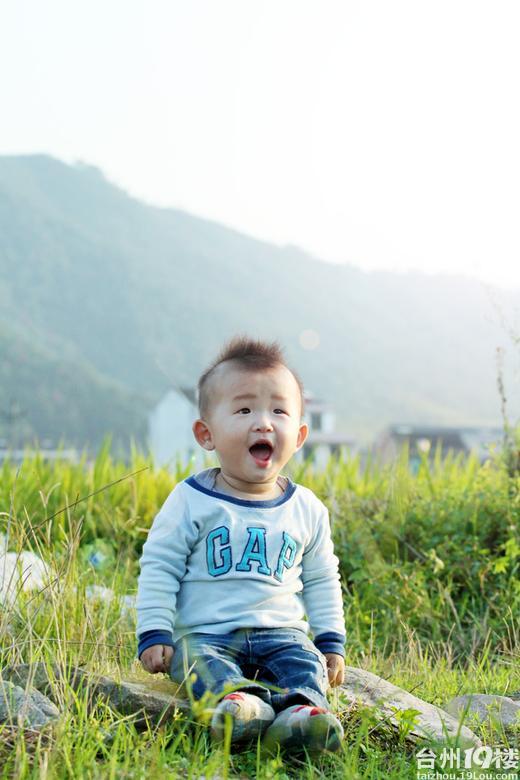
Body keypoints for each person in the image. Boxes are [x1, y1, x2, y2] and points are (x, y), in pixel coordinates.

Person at [136, 335, 346, 754]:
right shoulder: (190, 500)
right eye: (245, 409)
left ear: (300, 434)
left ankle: (301, 717)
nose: (264, 422)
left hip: (282, 633)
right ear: (206, 433)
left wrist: (329, 640)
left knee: (305, 665)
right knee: (196, 661)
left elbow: (323, 578)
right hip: (207, 633)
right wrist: (154, 630)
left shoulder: (306, 508)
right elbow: (160, 565)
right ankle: (239, 706)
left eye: (279, 411)